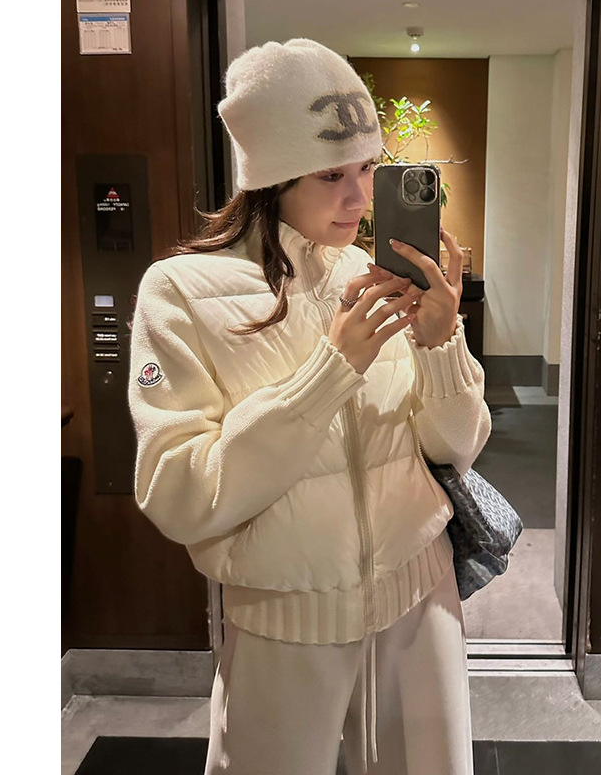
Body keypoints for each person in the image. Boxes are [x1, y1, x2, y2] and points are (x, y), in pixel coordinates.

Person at [128, 38, 491, 775]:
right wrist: (330, 372)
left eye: (368, 169)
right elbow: (178, 494)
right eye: (331, 175)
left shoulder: (375, 273)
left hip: (420, 600)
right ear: (271, 176)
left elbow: (456, 449)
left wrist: (440, 343)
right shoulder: (179, 292)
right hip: (283, 621)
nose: (359, 199)